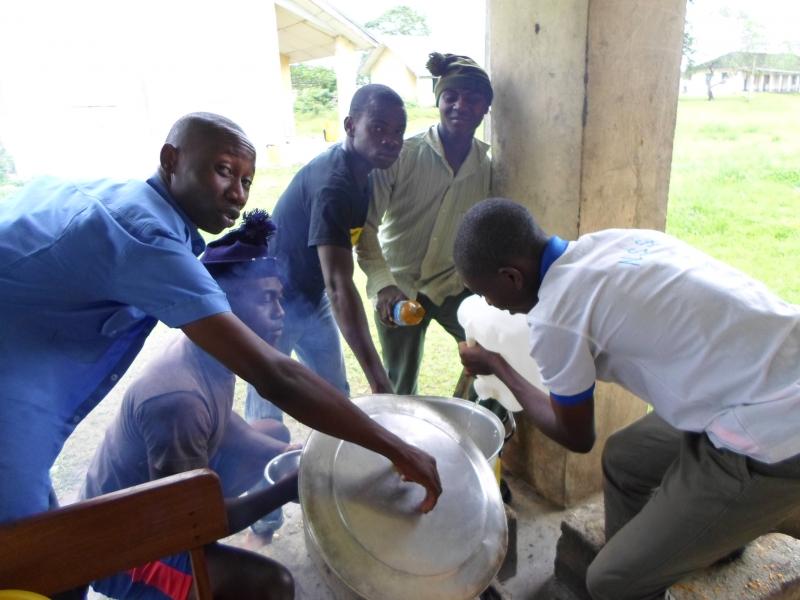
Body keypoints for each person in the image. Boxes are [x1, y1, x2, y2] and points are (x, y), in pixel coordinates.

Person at [0, 111, 441, 530]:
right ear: (171, 160)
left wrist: (305, 458)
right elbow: (275, 375)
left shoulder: (114, 199)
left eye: (247, 181)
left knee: (42, 535)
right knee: (29, 548)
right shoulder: (147, 238)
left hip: (24, 386)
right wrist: (396, 448)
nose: (239, 194)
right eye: (224, 171)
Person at [453, 198, 800, 600]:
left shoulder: (556, 316)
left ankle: (633, 582)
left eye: (486, 294)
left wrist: (498, 365)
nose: (490, 305)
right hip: (764, 372)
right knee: (624, 458)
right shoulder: (613, 243)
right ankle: (668, 556)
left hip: (771, 434)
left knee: (608, 582)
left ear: (512, 276)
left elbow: (576, 436)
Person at [80, 210, 296, 599]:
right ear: (226, 306)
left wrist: (288, 455)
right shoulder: (178, 400)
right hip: (120, 548)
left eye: (280, 298)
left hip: (162, 508)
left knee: (274, 435)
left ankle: (208, 561)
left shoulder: (212, 351)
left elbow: (224, 425)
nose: (280, 312)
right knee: (272, 585)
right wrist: (285, 489)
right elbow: (191, 526)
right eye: (267, 299)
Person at [244, 84, 404, 423]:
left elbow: (351, 251)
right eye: (378, 128)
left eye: (398, 131)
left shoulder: (364, 173)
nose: (391, 139)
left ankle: (333, 455)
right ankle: (259, 459)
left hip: (311, 298)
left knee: (334, 395)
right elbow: (339, 286)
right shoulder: (334, 185)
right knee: (267, 407)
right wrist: (379, 380)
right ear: (350, 126)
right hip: (272, 300)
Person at [355, 52, 493, 395]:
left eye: (472, 99)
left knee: (495, 356)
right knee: (399, 383)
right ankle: (402, 430)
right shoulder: (402, 155)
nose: (460, 106)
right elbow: (366, 228)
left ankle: (471, 418)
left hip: (451, 284)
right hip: (399, 285)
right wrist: (383, 285)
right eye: (451, 96)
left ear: (485, 108)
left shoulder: (486, 166)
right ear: (438, 101)